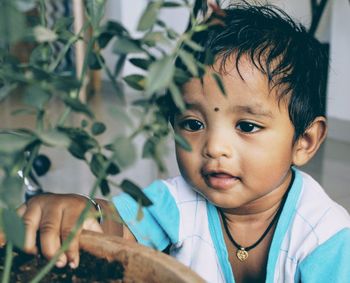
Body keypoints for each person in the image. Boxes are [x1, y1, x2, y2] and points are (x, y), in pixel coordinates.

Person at [4, 2, 350, 283]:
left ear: (304, 142)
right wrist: (81, 210)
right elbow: (114, 226)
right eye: (193, 123)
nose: (214, 146)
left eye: (246, 125)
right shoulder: (179, 202)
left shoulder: (326, 238)